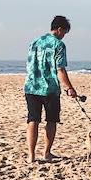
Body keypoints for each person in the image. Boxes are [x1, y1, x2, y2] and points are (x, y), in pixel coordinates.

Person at [24, 15, 78, 163]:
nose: (64, 36)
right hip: (50, 89)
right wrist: (70, 88)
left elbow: (29, 65)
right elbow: (60, 70)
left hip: (31, 86)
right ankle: (46, 153)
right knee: (51, 121)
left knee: (33, 120)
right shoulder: (58, 45)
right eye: (64, 33)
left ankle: (31, 156)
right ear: (59, 29)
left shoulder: (34, 42)